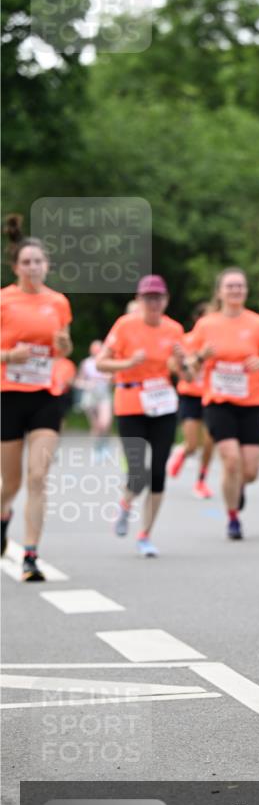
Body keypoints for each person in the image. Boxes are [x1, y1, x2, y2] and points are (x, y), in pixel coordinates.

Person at [0, 215, 73, 580]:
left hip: (46, 395)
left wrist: (63, 346)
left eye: (38, 261)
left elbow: (64, 348)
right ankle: (3, 517)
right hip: (9, 395)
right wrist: (7, 357)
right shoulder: (4, 300)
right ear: (16, 267)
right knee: (10, 483)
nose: (33, 267)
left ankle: (30, 555)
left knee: (38, 476)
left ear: (47, 266)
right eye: (26, 262)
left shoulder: (58, 302)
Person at [95, 274, 186, 557]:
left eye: (158, 297)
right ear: (139, 300)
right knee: (137, 471)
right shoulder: (125, 326)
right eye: (148, 298)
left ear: (166, 300)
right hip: (131, 403)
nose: (153, 303)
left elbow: (185, 372)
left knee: (158, 471)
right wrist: (127, 362)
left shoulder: (174, 329)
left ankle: (145, 534)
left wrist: (183, 361)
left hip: (163, 404)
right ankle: (125, 505)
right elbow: (101, 363)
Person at [189, 268, 259, 539]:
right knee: (230, 460)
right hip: (218, 401)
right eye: (230, 286)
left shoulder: (258, 324)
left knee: (249, 470)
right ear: (220, 292)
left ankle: (238, 487)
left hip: (251, 401)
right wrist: (201, 356)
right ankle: (233, 518)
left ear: (246, 291)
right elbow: (189, 366)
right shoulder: (206, 324)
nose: (235, 291)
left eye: (240, 286)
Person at [168, 303, 214, 498]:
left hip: (213, 395)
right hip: (190, 395)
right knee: (194, 443)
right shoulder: (185, 340)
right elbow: (172, 365)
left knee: (210, 442)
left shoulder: (219, 342)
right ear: (199, 321)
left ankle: (201, 481)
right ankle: (183, 451)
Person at [76, 340, 113, 462]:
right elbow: (78, 381)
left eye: (99, 349)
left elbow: (115, 379)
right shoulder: (86, 363)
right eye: (95, 349)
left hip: (104, 395)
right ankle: (97, 450)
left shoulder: (108, 363)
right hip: (90, 395)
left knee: (105, 423)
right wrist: (87, 384)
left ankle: (105, 445)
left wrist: (110, 378)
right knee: (96, 425)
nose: (97, 351)